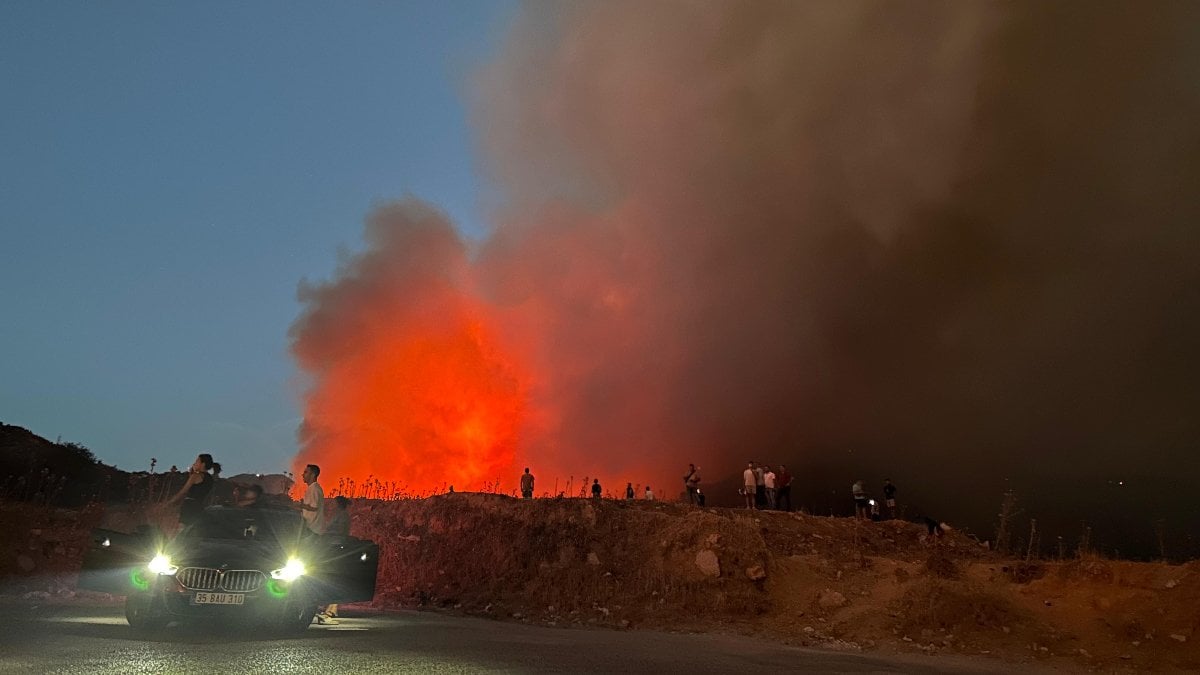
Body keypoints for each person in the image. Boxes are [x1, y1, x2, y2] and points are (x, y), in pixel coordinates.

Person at [317, 495, 352, 625]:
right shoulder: (339, 515)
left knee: (333, 577)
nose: (331, 505)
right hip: (332, 546)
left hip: (336, 548)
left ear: (338, 504)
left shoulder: (343, 516)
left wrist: (327, 533)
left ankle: (329, 611)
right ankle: (330, 609)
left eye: (334, 503)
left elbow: (342, 532)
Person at [165, 453, 216, 527]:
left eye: (197, 461)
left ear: (203, 464)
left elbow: (182, 492)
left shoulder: (196, 476)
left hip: (189, 507)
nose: (194, 463)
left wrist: (168, 503)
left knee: (182, 531)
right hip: (199, 507)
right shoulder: (210, 479)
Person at [298, 464, 325, 535]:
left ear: (313, 475)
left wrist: (301, 505)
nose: (303, 475)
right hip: (311, 529)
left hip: (313, 530)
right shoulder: (312, 488)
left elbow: (314, 507)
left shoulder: (314, 488)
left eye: (306, 472)